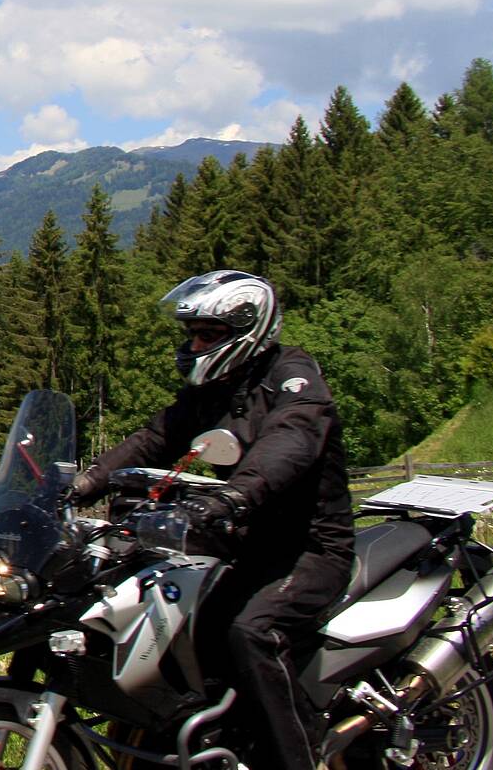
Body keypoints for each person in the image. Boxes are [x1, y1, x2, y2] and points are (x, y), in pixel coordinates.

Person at [71, 269, 352, 770]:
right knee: (163, 622)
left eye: (207, 334)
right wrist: (88, 481)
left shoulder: (295, 379)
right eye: (192, 334)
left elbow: (287, 444)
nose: (195, 345)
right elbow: (156, 437)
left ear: (247, 330)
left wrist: (234, 497)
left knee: (250, 631)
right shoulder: (213, 393)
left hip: (307, 549)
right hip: (240, 547)